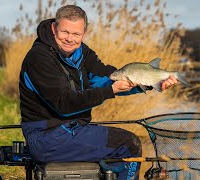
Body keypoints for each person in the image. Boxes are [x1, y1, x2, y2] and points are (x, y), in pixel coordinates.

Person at [19, 5, 178, 180]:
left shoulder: (81, 52)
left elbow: (107, 78)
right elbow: (63, 104)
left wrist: (150, 83)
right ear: (53, 28)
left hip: (73, 130)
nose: (70, 39)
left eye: (76, 34)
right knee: (129, 145)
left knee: (119, 144)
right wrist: (109, 91)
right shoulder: (39, 58)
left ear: (84, 33)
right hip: (46, 137)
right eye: (65, 32)